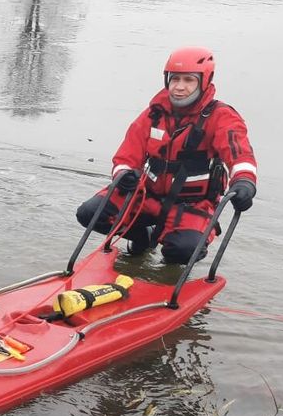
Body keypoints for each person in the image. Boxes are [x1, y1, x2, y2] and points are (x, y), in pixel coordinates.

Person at [76, 46, 257, 263]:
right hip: (145, 196)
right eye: (175, 79)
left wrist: (245, 182)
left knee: (184, 251)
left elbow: (240, 154)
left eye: (189, 80)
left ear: (204, 81)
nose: (179, 87)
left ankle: (169, 267)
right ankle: (143, 238)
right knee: (89, 213)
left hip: (191, 205)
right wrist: (124, 175)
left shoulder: (221, 117)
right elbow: (125, 157)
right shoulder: (154, 114)